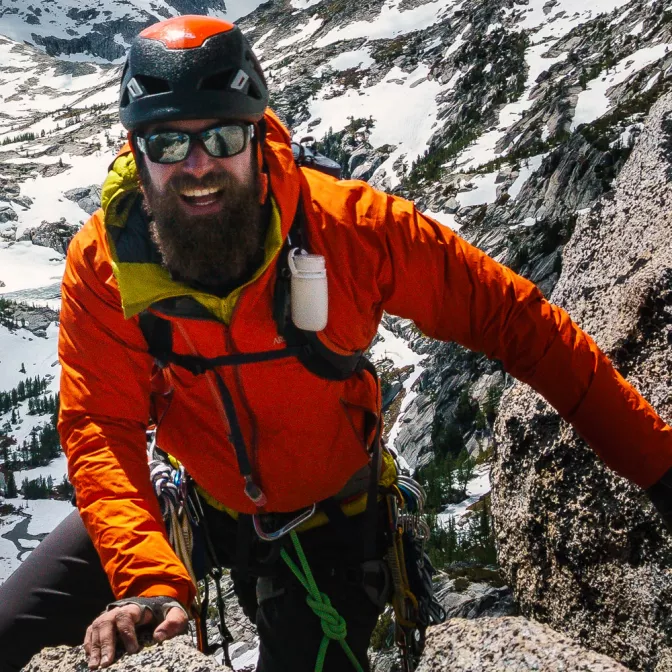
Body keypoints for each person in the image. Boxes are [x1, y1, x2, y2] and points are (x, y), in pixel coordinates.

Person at [1, 13, 672, 672]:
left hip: (331, 520)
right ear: (135, 150)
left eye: (225, 136)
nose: (199, 165)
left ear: (259, 136)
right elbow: (102, 423)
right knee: (9, 633)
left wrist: (660, 466)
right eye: (168, 143)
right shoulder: (106, 262)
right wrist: (146, 575)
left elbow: (518, 325)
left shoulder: (351, 229)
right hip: (195, 500)